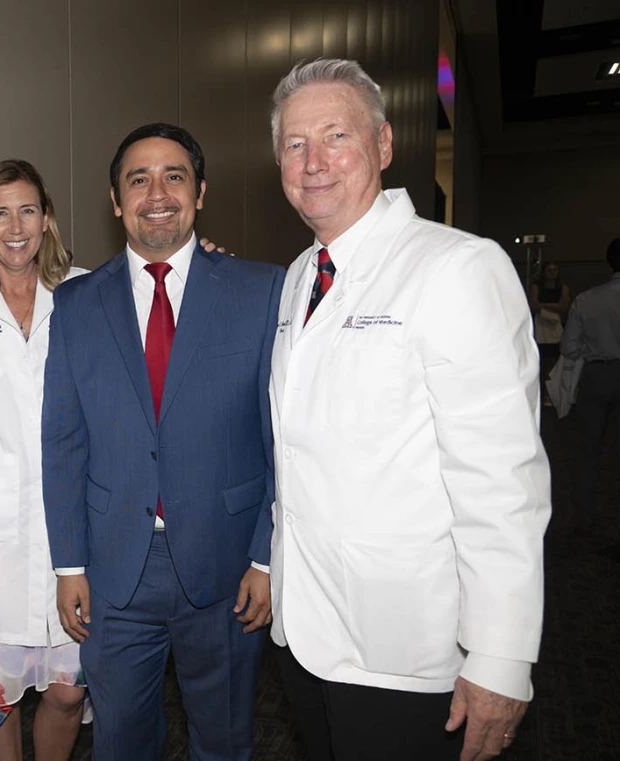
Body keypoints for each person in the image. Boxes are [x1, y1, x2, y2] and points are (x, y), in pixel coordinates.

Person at [267, 58, 550, 761]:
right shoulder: (301, 275)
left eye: (336, 135)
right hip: (304, 632)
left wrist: (501, 656)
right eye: (295, 144)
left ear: (385, 144)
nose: (314, 161)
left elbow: (501, 480)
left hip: (405, 650)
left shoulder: (458, 268)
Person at [42, 123, 284, 761]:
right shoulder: (73, 305)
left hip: (227, 564)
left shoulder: (261, 291)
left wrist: (264, 555)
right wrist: (69, 565)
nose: (157, 192)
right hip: (114, 571)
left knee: (226, 736)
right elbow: (63, 441)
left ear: (200, 192)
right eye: (138, 179)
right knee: (121, 742)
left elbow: (280, 439)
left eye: (174, 176)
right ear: (116, 200)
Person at [0, 159, 90, 761]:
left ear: (46, 219)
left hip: (72, 529)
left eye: (27, 210)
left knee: (66, 691)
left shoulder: (86, 293)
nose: (14, 226)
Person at [560, 238, 620, 536]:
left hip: (598, 376)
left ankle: (585, 515)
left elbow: (569, 348)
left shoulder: (587, 299)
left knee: (588, 449)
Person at [530, 261, 571, 402]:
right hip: (540, 327)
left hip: (555, 327)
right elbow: (534, 305)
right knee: (540, 361)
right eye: (549, 270)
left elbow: (564, 307)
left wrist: (545, 305)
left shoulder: (562, 287)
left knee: (553, 361)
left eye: (555, 270)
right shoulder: (536, 287)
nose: (552, 273)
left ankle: (552, 393)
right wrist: (553, 306)